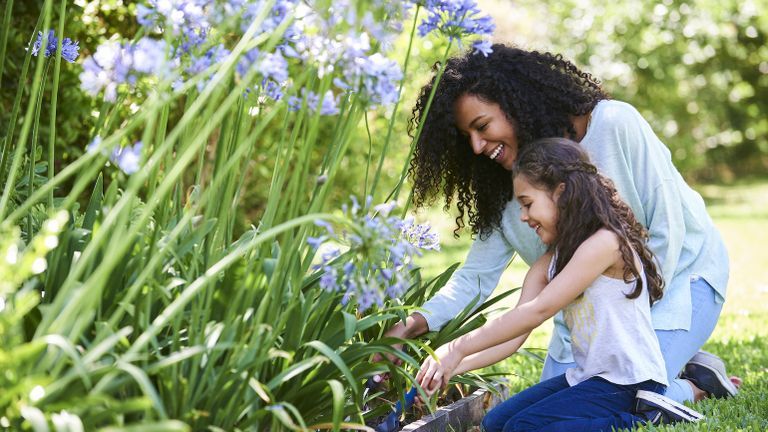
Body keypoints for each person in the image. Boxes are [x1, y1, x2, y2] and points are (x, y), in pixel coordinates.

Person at [380, 44, 739, 403]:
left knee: (624, 394)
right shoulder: (506, 192)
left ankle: (696, 386)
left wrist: (631, 334)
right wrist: (413, 324)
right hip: (591, 319)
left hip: (680, 281)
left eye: (482, 126)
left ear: (515, 102)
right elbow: (474, 279)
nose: (476, 146)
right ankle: (679, 362)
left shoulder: (613, 124)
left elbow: (669, 229)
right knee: (553, 403)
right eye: (466, 136)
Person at [416, 138, 703, 430]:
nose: (524, 216)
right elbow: (516, 335)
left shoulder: (605, 244)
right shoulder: (550, 261)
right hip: (588, 378)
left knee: (521, 429)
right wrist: (451, 368)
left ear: (561, 193)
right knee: (495, 423)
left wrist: (457, 348)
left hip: (629, 382)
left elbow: (539, 310)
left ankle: (645, 418)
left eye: (528, 204)